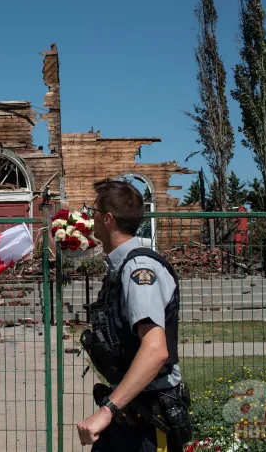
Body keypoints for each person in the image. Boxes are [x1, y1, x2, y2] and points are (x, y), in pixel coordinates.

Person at [77, 179, 191, 451]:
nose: (89, 218)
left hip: (148, 425)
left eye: (92, 211)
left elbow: (155, 350)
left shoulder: (140, 271)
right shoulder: (120, 267)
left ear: (108, 219)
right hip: (127, 414)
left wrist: (106, 411)